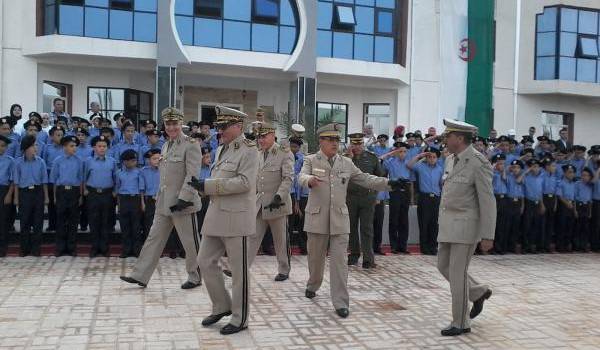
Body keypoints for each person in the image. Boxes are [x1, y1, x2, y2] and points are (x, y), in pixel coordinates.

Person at [298, 123, 400, 319]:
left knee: (340, 263)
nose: (335, 143)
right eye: (330, 139)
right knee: (315, 259)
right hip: (317, 217)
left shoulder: (346, 163)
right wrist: (308, 180)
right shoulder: (311, 159)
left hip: (339, 220)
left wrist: (389, 183)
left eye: (337, 139)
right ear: (321, 141)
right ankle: (313, 284)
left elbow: (365, 179)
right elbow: (301, 176)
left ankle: (341, 302)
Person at [188, 106, 259, 335]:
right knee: (205, 260)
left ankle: (240, 318)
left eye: (224, 127)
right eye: (218, 127)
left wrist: (207, 186)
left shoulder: (249, 150)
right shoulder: (221, 150)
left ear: (238, 127)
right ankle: (222, 305)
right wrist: (202, 187)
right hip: (217, 215)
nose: (220, 131)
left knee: (239, 272)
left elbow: (245, 183)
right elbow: (221, 179)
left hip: (237, 219)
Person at [120, 107, 202, 289]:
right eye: (168, 124)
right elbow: (165, 176)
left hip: (183, 203)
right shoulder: (165, 145)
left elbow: (192, 175)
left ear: (181, 124)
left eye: (175, 123)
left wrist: (184, 198)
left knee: (190, 242)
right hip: (164, 202)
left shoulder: (191, 144)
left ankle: (195, 276)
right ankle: (140, 275)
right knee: (153, 238)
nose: (171, 127)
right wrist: (159, 196)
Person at [436, 119, 495, 337]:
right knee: (443, 266)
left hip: (466, 227)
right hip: (447, 225)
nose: (445, 139)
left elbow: (488, 201)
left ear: (459, 138)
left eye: (448, 135)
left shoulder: (478, 163)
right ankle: (478, 292)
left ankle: (461, 322)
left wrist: (488, 234)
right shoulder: (450, 159)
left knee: (458, 273)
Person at [247, 122, 294, 280]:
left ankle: (284, 269)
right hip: (260, 204)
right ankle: (241, 268)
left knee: (280, 239)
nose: (261, 140)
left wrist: (279, 196)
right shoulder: (258, 153)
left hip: (277, 204)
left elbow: (288, 178)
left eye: (264, 136)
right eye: (259, 137)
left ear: (273, 135)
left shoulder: (284, 153)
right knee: (253, 237)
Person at [345, 132, 385, 268]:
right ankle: (354, 255)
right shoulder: (345, 159)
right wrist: (349, 157)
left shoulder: (372, 158)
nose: (357, 146)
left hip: (368, 197)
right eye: (354, 143)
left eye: (360, 143)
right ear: (351, 144)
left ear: (363, 143)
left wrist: (377, 196)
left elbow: (379, 177)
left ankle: (368, 258)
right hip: (350, 197)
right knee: (351, 227)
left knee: (367, 228)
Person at [13, 135, 48, 257]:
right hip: (24, 193)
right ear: (26, 147)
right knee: (25, 221)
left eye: (36, 145)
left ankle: (36, 248)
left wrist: (46, 197)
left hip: (38, 192)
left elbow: (44, 181)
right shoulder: (17, 162)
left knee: (38, 222)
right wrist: (16, 198)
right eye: (33, 145)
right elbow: (16, 183)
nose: (36, 147)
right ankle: (24, 248)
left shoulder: (41, 161)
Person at [51, 135, 84, 257]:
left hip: (74, 192)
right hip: (61, 191)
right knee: (60, 220)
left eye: (75, 146)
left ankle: (71, 247)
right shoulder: (57, 161)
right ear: (64, 146)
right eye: (71, 146)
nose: (74, 148)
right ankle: (60, 247)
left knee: (73, 221)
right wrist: (55, 196)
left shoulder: (79, 161)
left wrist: (80, 195)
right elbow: (54, 180)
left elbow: (81, 180)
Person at [408, 146, 444, 255]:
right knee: (424, 223)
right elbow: (409, 165)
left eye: (434, 157)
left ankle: (433, 247)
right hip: (425, 198)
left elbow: (441, 185)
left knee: (434, 224)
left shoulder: (440, 168)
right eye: (429, 157)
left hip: (436, 198)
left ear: (437, 158)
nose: (432, 159)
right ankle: (424, 248)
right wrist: (420, 156)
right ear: (426, 158)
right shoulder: (421, 167)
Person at [85, 135, 117, 257]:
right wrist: (86, 191)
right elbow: (84, 176)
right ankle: (94, 247)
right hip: (93, 194)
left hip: (107, 194)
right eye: (99, 146)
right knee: (94, 221)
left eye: (104, 146)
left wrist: (115, 191)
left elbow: (115, 178)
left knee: (106, 221)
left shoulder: (112, 161)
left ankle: (104, 247)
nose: (102, 148)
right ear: (94, 147)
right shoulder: (88, 161)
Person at [380, 141, 412, 254]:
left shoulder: (409, 163)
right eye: (400, 151)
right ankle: (393, 245)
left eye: (404, 151)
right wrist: (392, 153)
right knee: (394, 218)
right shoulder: (391, 162)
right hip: (395, 189)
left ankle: (403, 246)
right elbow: (381, 159)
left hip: (406, 189)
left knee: (404, 219)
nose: (403, 153)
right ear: (397, 152)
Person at [520, 158, 545, 254]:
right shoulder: (526, 177)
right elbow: (519, 181)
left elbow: (540, 192)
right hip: (528, 202)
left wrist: (542, 204)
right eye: (533, 167)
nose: (535, 169)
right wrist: (527, 171)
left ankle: (532, 246)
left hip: (537, 203)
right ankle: (525, 247)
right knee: (527, 225)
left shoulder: (541, 178)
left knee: (535, 226)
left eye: (537, 167)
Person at [43, 126, 66, 232]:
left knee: (62, 203)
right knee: (52, 203)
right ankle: (52, 224)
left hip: (62, 178)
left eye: (62, 135)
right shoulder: (47, 147)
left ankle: (62, 225)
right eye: (57, 135)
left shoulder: (66, 148)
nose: (60, 137)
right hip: (50, 178)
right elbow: (43, 162)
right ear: (51, 136)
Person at [288, 137, 308, 254]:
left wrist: (298, 200)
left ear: (299, 148)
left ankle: (303, 246)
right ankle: (288, 246)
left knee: (302, 222)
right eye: (291, 146)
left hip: (300, 194)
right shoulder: (285, 156)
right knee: (289, 222)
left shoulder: (302, 159)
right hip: (289, 192)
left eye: (295, 147)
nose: (293, 149)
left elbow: (299, 179)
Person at [140, 149, 161, 252]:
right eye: (154, 158)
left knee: (160, 225)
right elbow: (142, 190)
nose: (157, 160)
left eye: (158, 158)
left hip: (161, 200)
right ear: (149, 160)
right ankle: (149, 248)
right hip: (149, 201)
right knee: (149, 224)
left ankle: (158, 248)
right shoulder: (144, 171)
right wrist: (142, 203)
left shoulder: (164, 170)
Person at [556, 164, 577, 252]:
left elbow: (574, 198)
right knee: (562, 226)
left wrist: (575, 210)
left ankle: (567, 245)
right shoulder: (561, 183)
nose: (572, 174)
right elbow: (559, 196)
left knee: (570, 226)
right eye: (569, 173)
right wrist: (567, 203)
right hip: (563, 206)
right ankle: (560, 246)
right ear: (565, 173)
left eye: (573, 173)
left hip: (571, 205)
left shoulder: (574, 184)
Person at [491, 154, 508, 254]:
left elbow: (506, 180)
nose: (501, 165)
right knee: (494, 224)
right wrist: (493, 169)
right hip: (495, 198)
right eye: (499, 163)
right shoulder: (492, 173)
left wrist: (503, 171)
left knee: (502, 224)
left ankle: (501, 247)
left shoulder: (504, 173)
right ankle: (493, 247)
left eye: (503, 164)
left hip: (503, 198)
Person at [506, 159, 524, 253]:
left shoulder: (522, 178)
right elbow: (505, 177)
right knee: (508, 225)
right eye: (514, 167)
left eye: (518, 167)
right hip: (509, 201)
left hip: (518, 202)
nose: (515, 169)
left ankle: (512, 247)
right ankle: (506, 246)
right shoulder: (508, 176)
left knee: (515, 226)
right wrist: (508, 168)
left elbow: (522, 194)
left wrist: (522, 206)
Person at [0, 135, 14, 257]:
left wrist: (9, 194)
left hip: (4, 191)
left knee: (3, 221)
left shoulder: (10, 160)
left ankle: (2, 249)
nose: (1, 148)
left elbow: (12, 181)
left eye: (3, 146)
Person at [574, 168, 593, 252]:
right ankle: (576, 246)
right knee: (578, 227)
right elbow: (574, 198)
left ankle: (584, 246)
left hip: (587, 206)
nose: (585, 177)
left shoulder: (590, 185)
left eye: (587, 175)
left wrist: (590, 212)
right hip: (579, 205)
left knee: (585, 228)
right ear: (581, 176)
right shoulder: (577, 184)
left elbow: (590, 200)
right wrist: (575, 210)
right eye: (583, 175)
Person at [541, 156, 558, 253]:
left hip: (552, 200)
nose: (554, 168)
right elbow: (540, 191)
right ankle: (541, 245)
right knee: (542, 224)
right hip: (544, 199)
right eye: (553, 166)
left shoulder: (554, 177)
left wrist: (555, 204)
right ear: (547, 167)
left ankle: (547, 246)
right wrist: (542, 204)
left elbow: (555, 192)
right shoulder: (542, 176)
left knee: (550, 225)